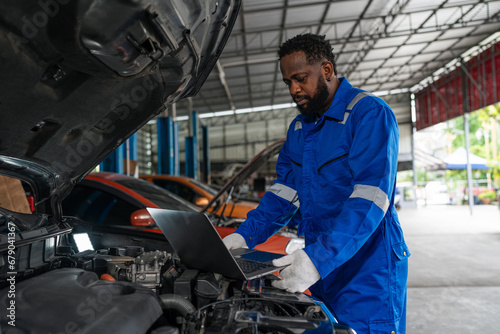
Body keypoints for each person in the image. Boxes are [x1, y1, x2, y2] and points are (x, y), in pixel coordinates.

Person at [223, 33, 409, 333]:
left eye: (301, 78)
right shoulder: (300, 127)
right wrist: (244, 236)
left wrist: (317, 260)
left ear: (326, 70)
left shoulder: (368, 114)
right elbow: (285, 194)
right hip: (321, 263)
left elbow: (370, 198)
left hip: (368, 268)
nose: (294, 89)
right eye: (288, 82)